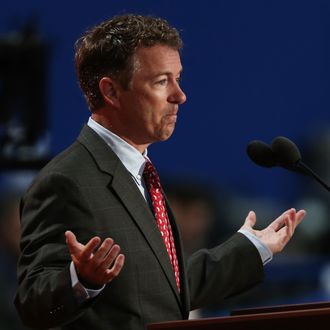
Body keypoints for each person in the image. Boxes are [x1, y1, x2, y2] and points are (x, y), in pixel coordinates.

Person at [14, 14, 306, 330]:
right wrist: (81, 280)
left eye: (178, 78)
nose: (180, 96)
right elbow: (34, 307)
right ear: (111, 92)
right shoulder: (66, 181)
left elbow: (164, 289)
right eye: (161, 81)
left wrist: (252, 248)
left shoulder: (140, 172)